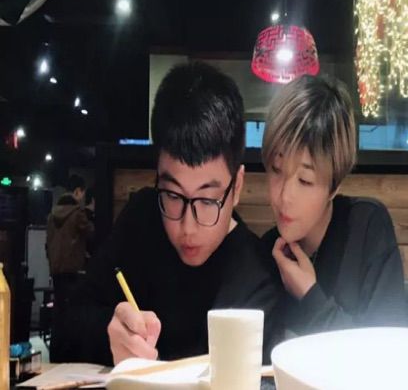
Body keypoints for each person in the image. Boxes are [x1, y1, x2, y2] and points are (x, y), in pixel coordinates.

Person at [79, 61, 282, 366]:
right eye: (173, 196)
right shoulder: (140, 221)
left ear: (237, 186)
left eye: (207, 200)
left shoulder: (256, 276)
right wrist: (108, 334)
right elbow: (67, 324)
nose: (188, 227)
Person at [261, 75, 405, 338]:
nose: (284, 197)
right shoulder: (267, 253)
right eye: (276, 170)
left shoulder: (366, 229)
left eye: (305, 180)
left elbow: (384, 351)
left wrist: (309, 295)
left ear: (334, 186)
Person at [46, 174, 94, 361]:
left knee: (59, 312)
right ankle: (69, 356)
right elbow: (92, 234)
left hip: (56, 270)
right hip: (74, 271)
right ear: (77, 191)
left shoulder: (51, 216)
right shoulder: (78, 214)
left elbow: (47, 245)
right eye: (82, 193)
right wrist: (90, 212)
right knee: (73, 314)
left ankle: (56, 354)